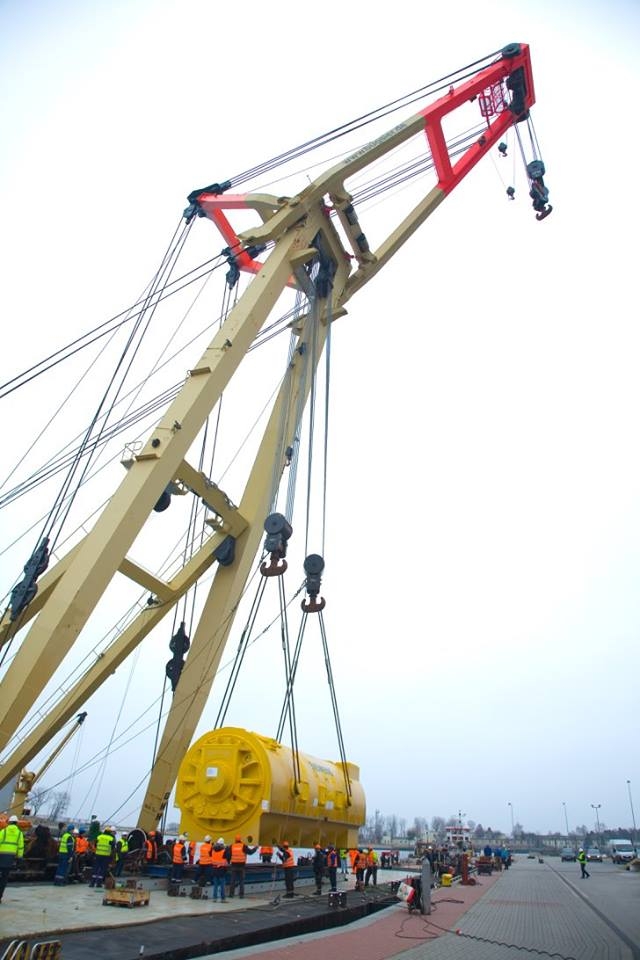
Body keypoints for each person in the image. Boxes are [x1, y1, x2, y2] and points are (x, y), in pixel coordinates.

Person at [0, 814, 24, 903]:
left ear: (9, 822)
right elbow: (21, 847)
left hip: (0, 857)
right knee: (4, 879)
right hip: (9, 859)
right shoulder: (19, 834)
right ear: (17, 823)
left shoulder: (4, 831)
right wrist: (20, 858)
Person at [227, 834, 257, 898]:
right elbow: (250, 852)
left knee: (232, 880)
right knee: (241, 881)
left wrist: (228, 862)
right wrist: (255, 848)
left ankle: (231, 894)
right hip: (241, 866)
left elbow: (228, 855)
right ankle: (241, 895)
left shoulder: (232, 846)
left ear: (235, 840)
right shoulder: (243, 846)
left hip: (234, 865)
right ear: (240, 839)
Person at [211, 837, 229, 901]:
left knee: (215, 885)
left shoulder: (213, 851)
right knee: (222, 885)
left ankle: (214, 898)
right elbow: (228, 858)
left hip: (214, 869)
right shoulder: (224, 851)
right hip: (221, 870)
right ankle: (223, 898)